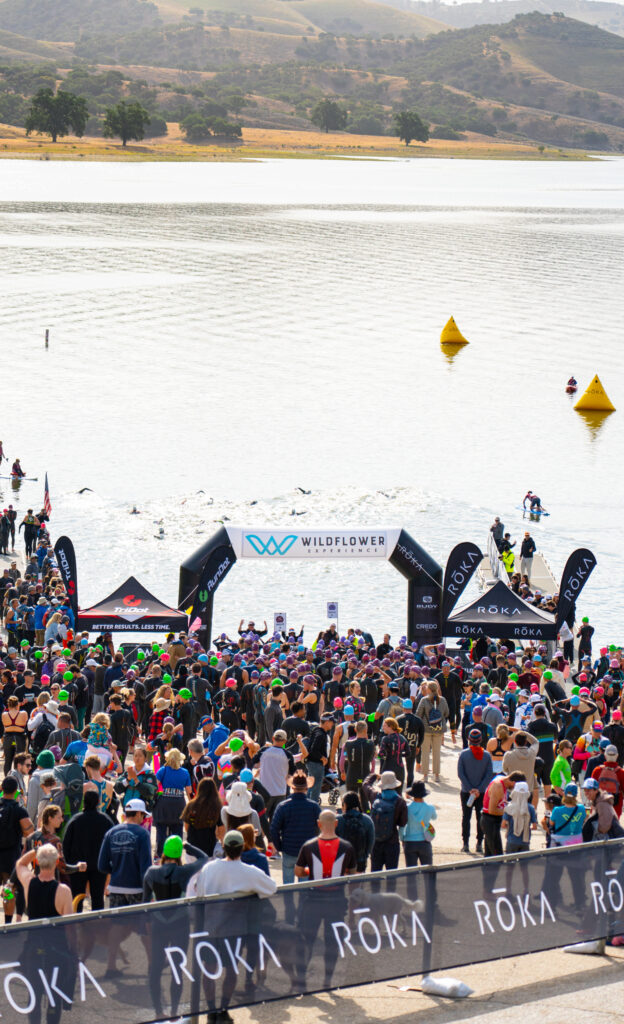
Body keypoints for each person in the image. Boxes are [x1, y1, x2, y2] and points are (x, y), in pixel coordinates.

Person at [62, 788, 113, 911]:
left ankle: (76, 921)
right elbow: (112, 843)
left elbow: (66, 844)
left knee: (77, 898)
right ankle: (96, 921)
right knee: (97, 898)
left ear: (84, 802)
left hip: (77, 866)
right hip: (99, 865)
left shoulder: (75, 820)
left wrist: (69, 863)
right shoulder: (105, 820)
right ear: (98, 802)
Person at [187, 828, 277, 898]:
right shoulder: (251, 872)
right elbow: (272, 888)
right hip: (241, 916)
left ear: (223, 847)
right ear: (242, 847)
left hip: (212, 916)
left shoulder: (208, 868)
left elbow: (199, 893)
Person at [97, 798, 152, 907]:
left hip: (115, 888)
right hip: (136, 889)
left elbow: (102, 865)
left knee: (118, 918)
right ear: (138, 814)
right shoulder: (143, 834)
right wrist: (148, 892)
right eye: (143, 815)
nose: (143, 819)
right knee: (137, 918)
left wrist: (116, 870)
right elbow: (145, 867)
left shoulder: (111, 833)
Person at [270, 770, 321, 884]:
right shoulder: (314, 807)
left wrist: (280, 846)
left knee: (288, 886)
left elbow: (274, 829)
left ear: (292, 787)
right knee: (304, 887)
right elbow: (321, 826)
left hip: (288, 850)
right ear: (306, 788)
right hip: (307, 851)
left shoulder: (283, 806)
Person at [457, 728, 494, 854]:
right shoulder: (487, 756)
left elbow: (461, 774)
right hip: (481, 793)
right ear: (481, 740)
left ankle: (465, 843)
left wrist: (470, 789)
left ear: (469, 739)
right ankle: (479, 843)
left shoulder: (463, 754)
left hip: (466, 792)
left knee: (466, 817)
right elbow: (489, 775)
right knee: (480, 818)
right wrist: (478, 789)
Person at [364, 770, 408, 871]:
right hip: (392, 842)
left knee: (375, 873)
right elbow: (403, 822)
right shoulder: (400, 801)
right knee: (391, 875)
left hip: (376, 842)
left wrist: (373, 776)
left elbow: (365, 785)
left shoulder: (375, 796)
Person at [295, 809, 357, 879]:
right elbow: (352, 872)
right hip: (338, 885)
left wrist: (310, 871)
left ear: (318, 823)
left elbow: (298, 871)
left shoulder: (308, 846)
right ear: (336, 823)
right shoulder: (347, 847)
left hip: (315, 886)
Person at [143, 834, 207, 900]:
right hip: (179, 906)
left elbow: (145, 900)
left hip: (159, 906)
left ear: (164, 850)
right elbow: (204, 857)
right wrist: (187, 846)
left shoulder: (151, 872)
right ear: (179, 853)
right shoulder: (184, 871)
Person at [16, 844, 73, 919]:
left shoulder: (28, 882)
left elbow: (20, 864)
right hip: (54, 927)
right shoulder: (64, 891)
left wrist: (36, 850)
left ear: (37, 861)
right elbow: (69, 923)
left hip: (34, 926)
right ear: (57, 861)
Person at [153, 747, 192, 856]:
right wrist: (193, 804)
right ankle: (176, 854)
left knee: (161, 830)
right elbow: (189, 792)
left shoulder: (163, 770)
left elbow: (155, 786)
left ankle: (160, 854)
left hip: (164, 802)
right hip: (179, 804)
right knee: (177, 829)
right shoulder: (185, 773)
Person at [480, 771, 526, 857]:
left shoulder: (503, 780)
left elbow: (500, 803)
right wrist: (508, 811)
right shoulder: (498, 786)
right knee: (497, 854)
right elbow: (492, 810)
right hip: (490, 820)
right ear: (513, 782)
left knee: (489, 854)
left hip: (494, 820)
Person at [416, 681, 449, 782]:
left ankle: (425, 775)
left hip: (426, 729)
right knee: (436, 752)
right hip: (438, 729)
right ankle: (436, 775)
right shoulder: (442, 700)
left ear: (429, 689)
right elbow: (447, 713)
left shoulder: (424, 700)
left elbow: (418, 714)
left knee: (425, 752)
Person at [181, 776, 223, 856]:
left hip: (192, 849)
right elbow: (221, 831)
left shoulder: (191, 805)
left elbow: (186, 828)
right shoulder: (217, 807)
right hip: (209, 849)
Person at [335, 791, 375, 873]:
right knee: (358, 881)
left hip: (342, 861)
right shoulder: (367, 820)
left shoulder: (338, 820)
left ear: (344, 804)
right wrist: (365, 856)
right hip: (360, 861)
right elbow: (371, 841)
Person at [400, 780, 437, 866]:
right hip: (425, 841)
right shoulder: (430, 808)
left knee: (411, 872)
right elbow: (434, 817)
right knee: (428, 871)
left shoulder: (407, 808)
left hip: (409, 842)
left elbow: (402, 826)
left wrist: (402, 838)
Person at [502, 781, 536, 852]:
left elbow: (503, 825)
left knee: (510, 859)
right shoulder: (531, 808)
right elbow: (534, 826)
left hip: (512, 840)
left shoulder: (509, 807)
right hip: (525, 841)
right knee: (524, 859)